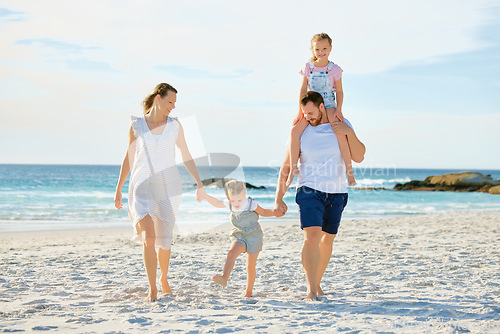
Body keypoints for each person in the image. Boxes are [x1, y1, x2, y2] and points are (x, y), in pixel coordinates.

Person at [114, 83, 206, 302]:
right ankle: (152, 288)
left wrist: (199, 183)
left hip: (166, 186)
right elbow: (129, 158)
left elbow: (185, 154)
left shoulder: (175, 126)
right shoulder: (137, 125)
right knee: (149, 237)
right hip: (141, 186)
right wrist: (119, 188)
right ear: (158, 99)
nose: (173, 107)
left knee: (164, 240)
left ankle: (164, 279)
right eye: (170, 102)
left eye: (174, 103)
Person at [275, 91, 365, 301]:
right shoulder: (300, 132)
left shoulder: (340, 124)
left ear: (322, 107)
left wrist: (349, 132)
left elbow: (359, 156)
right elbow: (286, 166)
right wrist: (278, 198)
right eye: (304, 113)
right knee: (312, 237)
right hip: (309, 190)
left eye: (311, 113)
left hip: (337, 192)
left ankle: (317, 282)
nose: (308, 117)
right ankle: (311, 289)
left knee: (328, 240)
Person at [287, 32, 356, 188]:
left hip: (328, 104)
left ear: (330, 49)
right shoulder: (307, 67)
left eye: (324, 48)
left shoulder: (335, 69)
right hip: (311, 106)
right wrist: (300, 112)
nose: (321, 52)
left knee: (340, 133)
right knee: (294, 131)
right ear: (312, 50)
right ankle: (293, 169)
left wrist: (339, 109)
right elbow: (303, 88)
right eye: (317, 49)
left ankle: (349, 172)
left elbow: (339, 91)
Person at [201, 180, 278, 297]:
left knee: (250, 265)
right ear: (228, 197)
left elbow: (263, 212)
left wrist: (275, 212)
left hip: (254, 235)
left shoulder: (251, 203)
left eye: (239, 200)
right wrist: (205, 195)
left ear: (244, 194)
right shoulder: (229, 203)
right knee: (231, 253)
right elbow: (217, 203)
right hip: (240, 234)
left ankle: (248, 292)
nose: (236, 203)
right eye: (233, 200)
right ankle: (224, 278)